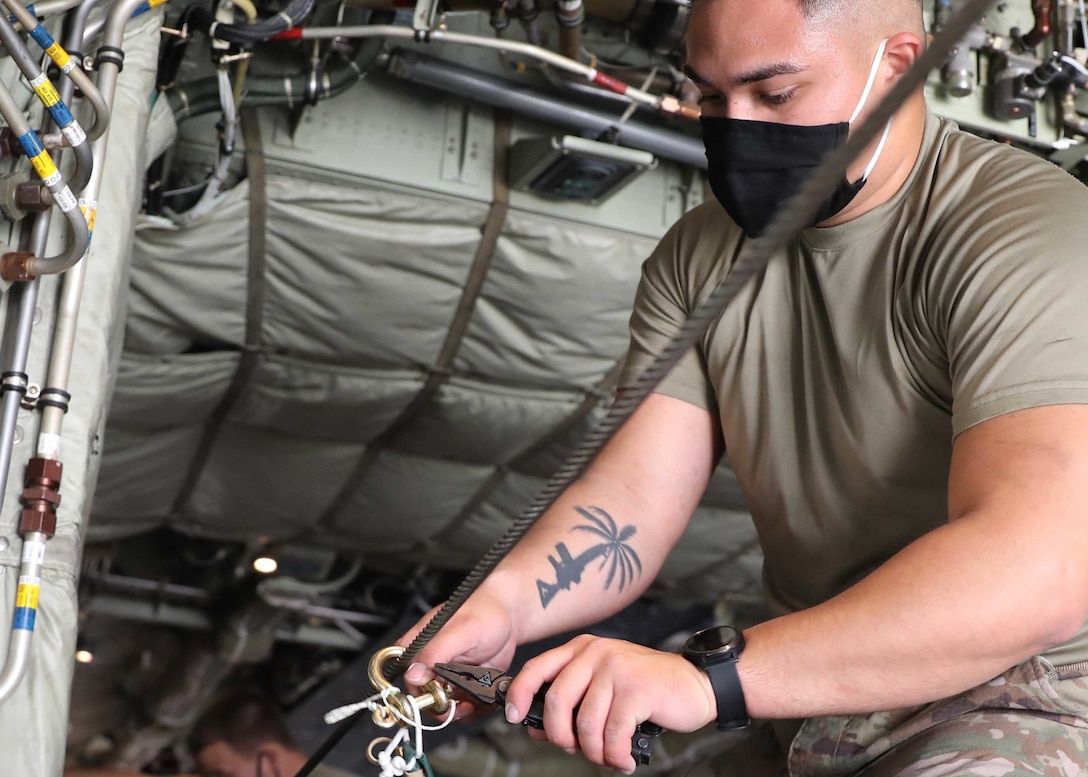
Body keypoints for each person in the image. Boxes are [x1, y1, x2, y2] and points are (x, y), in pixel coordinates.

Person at [396, 1, 1088, 776]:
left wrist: (713, 679)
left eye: (777, 95)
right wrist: (502, 605)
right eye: (711, 98)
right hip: (812, 695)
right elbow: (629, 500)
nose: (738, 128)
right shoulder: (699, 259)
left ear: (898, 65)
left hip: (1029, 691)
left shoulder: (1025, 232)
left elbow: (1038, 570)